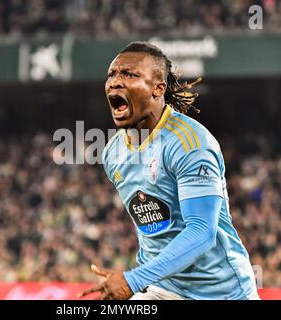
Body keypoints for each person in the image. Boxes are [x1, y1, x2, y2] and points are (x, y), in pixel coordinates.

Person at [79, 41, 259, 300]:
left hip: (222, 293)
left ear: (157, 89)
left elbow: (202, 232)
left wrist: (133, 279)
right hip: (165, 289)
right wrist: (139, 279)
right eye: (112, 74)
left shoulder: (190, 143)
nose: (115, 82)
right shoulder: (113, 153)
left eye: (129, 74)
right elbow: (151, 227)